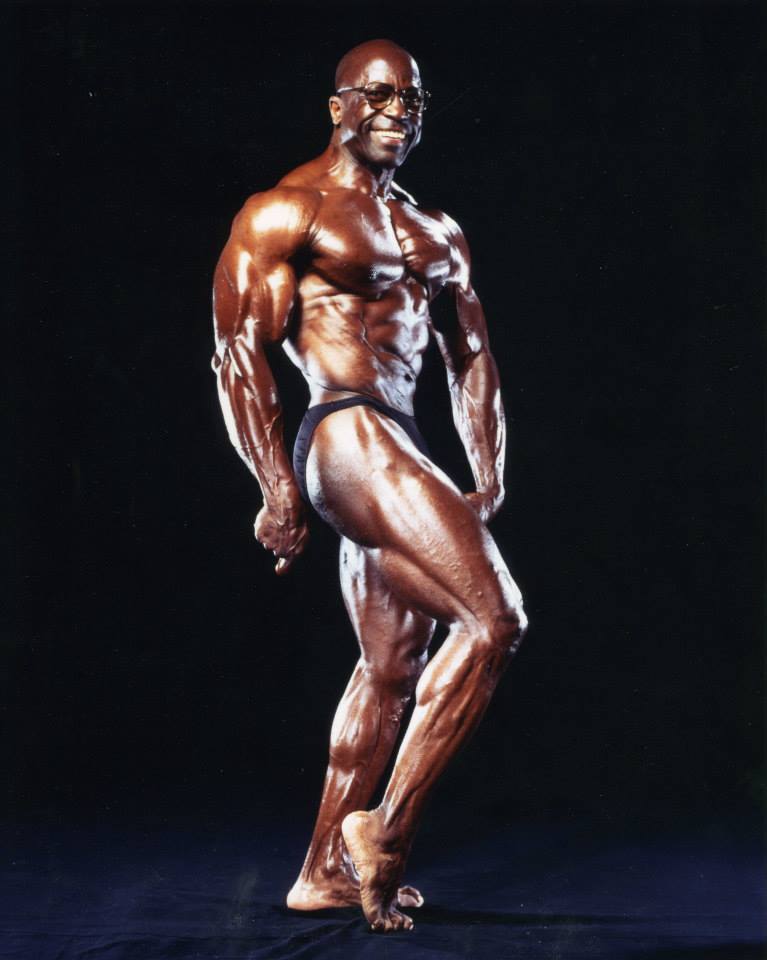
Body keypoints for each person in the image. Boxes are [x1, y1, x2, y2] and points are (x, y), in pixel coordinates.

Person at [212, 38, 528, 933]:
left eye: (411, 101)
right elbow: (237, 352)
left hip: (402, 438)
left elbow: (471, 354)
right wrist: (275, 486)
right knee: (494, 620)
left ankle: (321, 869)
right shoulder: (287, 211)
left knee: (390, 670)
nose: (397, 112)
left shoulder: (437, 230)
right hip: (344, 427)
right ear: (338, 105)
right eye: (379, 95)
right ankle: (383, 834)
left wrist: (487, 471)